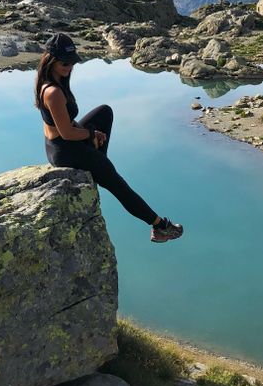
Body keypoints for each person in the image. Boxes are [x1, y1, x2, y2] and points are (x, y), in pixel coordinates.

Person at [35, 32, 184, 243]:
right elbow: (67, 133)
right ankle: (160, 226)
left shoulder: (56, 81)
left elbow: (68, 123)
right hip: (64, 150)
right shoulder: (53, 92)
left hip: (62, 143)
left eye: (71, 63)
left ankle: (99, 164)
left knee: (104, 112)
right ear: (51, 61)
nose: (69, 67)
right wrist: (89, 134)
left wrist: (92, 135)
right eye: (64, 63)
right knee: (118, 184)